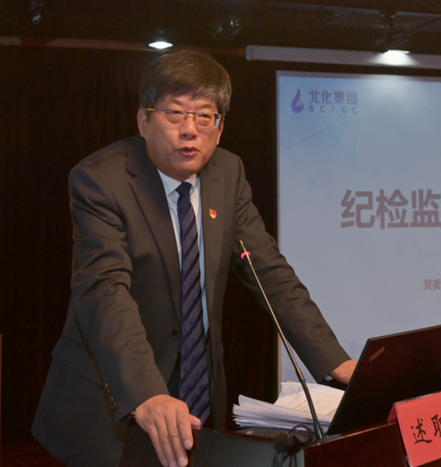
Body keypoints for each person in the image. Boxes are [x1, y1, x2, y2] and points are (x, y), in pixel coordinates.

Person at [32, 49, 356, 467]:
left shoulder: (228, 173)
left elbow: (270, 272)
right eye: (175, 113)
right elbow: (103, 292)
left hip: (198, 393)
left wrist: (335, 362)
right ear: (144, 121)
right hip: (113, 398)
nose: (190, 130)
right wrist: (146, 393)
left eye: (205, 116)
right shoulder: (101, 180)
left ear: (219, 129)